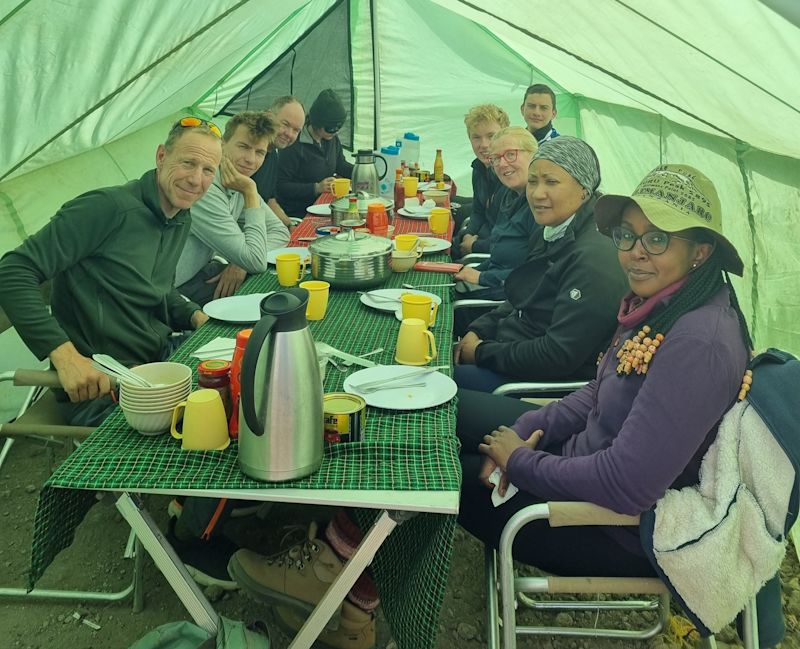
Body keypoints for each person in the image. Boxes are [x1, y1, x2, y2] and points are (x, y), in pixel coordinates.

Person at [458, 164, 751, 585]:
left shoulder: (697, 344)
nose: (636, 251)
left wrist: (522, 462)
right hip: (576, 467)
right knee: (442, 415)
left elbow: (626, 485)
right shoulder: (664, 301)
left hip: (607, 527)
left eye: (658, 238)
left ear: (700, 252)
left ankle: (357, 603)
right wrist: (528, 426)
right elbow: (599, 391)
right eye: (627, 234)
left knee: (436, 479)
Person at [0, 117, 221, 425]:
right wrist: (65, 357)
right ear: (161, 157)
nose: (196, 179)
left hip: (158, 360)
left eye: (208, 170)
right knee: (201, 432)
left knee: (236, 383)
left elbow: (158, 288)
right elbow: (13, 270)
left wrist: (195, 315)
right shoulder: (106, 208)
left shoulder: (180, 216)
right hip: (105, 384)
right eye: (188, 163)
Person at [454, 136, 627, 392]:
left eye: (551, 182)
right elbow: (523, 292)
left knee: (446, 386)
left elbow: (558, 355)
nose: (537, 193)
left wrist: (481, 353)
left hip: (547, 383)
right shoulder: (554, 227)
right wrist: (480, 329)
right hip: (515, 342)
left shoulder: (594, 258)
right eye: (533, 181)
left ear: (584, 188)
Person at [175, 111, 290, 306]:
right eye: (243, 147)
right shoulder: (204, 188)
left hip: (201, 272)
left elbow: (280, 232)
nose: (251, 160)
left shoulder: (238, 183)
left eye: (259, 152)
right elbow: (255, 261)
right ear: (222, 145)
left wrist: (239, 263)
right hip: (174, 291)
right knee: (267, 300)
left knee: (281, 291)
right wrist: (251, 192)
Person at [453, 127, 539, 303]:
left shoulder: (539, 206)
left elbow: (534, 274)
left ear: (534, 155)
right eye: (496, 159)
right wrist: (475, 270)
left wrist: (481, 277)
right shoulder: (510, 196)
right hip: (497, 280)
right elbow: (498, 255)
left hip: (510, 297)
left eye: (510, 155)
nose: (501, 164)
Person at [276, 88, 354, 217]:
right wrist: (316, 188)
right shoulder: (294, 144)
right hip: (299, 212)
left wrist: (363, 172)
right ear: (318, 122)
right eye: (331, 128)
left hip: (324, 206)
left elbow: (340, 164)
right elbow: (281, 186)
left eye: (339, 127)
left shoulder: (331, 138)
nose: (335, 131)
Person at [456, 104, 510, 258]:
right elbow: (478, 211)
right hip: (482, 238)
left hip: (495, 251)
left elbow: (509, 239)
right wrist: (468, 234)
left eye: (491, 136)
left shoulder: (511, 177)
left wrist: (474, 245)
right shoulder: (478, 168)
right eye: (476, 137)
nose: (484, 145)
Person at [250, 96, 306, 228]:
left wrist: (289, 225)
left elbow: (269, 199)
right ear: (269, 116)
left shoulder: (273, 154)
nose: (289, 134)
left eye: (296, 130)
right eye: (285, 124)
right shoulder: (249, 154)